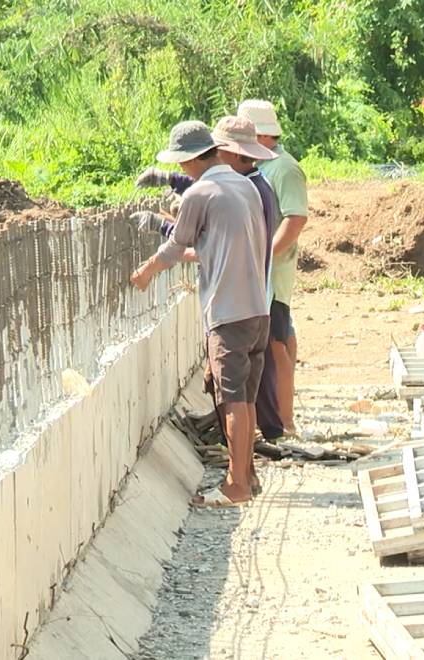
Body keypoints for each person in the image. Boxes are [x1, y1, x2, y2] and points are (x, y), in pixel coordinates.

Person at [130, 121, 269, 506]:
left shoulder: (201, 193)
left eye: (182, 164)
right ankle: (249, 474)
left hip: (228, 311)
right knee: (245, 398)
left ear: (191, 159)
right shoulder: (247, 186)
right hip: (257, 309)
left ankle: (236, 485)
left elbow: (176, 247)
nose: (183, 171)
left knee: (231, 400)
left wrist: (145, 272)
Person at [238, 100, 308, 436]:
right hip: (263, 274)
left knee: (278, 344)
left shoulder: (283, 168)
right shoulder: (263, 165)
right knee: (279, 340)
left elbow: (294, 221)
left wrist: (263, 257)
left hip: (273, 276)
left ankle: (285, 420)